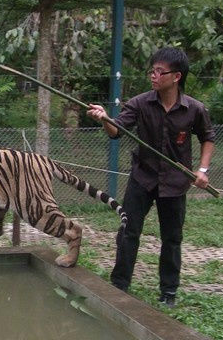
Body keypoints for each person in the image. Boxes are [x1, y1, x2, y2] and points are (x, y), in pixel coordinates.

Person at [87, 47, 215, 307]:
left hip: (176, 183)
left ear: (176, 76)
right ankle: (119, 284)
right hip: (142, 179)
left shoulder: (194, 109)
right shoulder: (140, 103)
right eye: (152, 71)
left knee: (172, 238)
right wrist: (104, 118)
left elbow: (208, 137)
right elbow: (116, 131)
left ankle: (168, 291)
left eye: (160, 72)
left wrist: (202, 171)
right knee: (128, 230)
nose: (154, 76)